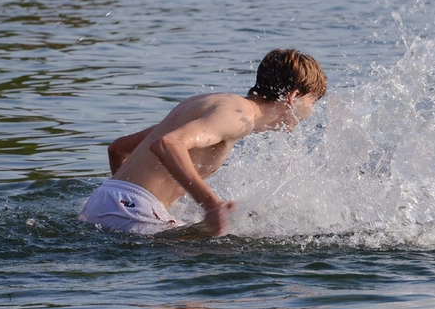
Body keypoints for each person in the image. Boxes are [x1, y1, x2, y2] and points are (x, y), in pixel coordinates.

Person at [80, 48, 327, 236]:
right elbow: (168, 144)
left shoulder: (211, 102)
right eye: (312, 102)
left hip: (102, 202)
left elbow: (118, 148)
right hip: (132, 211)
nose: (310, 113)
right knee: (224, 255)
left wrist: (123, 199)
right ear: (293, 97)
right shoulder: (240, 116)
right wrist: (211, 204)